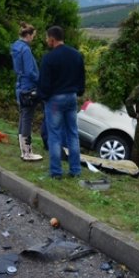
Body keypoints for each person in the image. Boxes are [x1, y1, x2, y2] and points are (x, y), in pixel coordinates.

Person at [38, 26, 85, 179]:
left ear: (52, 39)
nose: (46, 41)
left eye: (47, 38)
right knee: (73, 134)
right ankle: (75, 170)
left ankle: (56, 172)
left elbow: (44, 83)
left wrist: (42, 97)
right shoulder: (76, 55)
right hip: (71, 97)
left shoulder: (49, 58)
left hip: (55, 100)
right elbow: (81, 78)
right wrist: (78, 92)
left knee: (55, 135)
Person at [10, 22, 43, 162]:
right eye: (33, 36)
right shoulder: (26, 50)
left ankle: (23, 149)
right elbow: (30, 71)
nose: (33, 39)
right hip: (28, 87)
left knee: (23, 117)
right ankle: (27, 152)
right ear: (28, 35)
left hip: (20, 85)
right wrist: (41, 82)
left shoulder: (15, 47)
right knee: (27, 119)